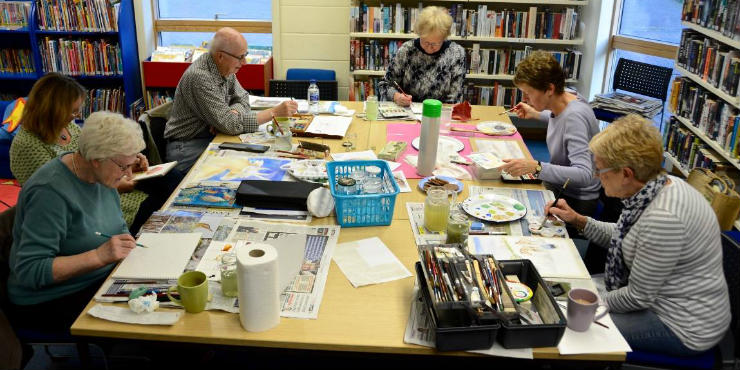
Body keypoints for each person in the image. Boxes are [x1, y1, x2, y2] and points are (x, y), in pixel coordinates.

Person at [546, 114, 730, 356]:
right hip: (657, 299)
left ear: (626, 173)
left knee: (565, 325)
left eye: (600, 170)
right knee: (564, 292)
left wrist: (587, 300)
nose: (595, 176)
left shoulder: (664, 217)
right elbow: (627, 237)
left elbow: (637, 297)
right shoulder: (659, 186)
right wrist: (579, 221)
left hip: (681, 325)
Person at [7, 111, 145, 331]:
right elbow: (30, 270)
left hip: (101, 278)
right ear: (97, 160)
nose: (129, 175)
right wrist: (99, 256)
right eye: (123, 167)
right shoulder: (49, 192)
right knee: (153, 328)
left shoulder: (100, 175)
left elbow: (116, 228)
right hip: (52, 299)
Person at [9, 73, 181, 235]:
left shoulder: (67, 127)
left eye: (77, 110)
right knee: (156, 206)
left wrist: (127, 161)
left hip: (107, 181)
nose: (75, 116)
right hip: (92, 200)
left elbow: (95, 154)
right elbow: (58, 194)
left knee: (173, 178)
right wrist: (118, 181)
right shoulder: (27, 146)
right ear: (50, 110)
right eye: (72, 111)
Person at [164, 27, 298, 173]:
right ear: (221, 56)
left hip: (210, 137)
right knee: (247, 167)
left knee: (258, 160)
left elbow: (243, 98)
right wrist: (274, 112)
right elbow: (231, 126)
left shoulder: (223, 68)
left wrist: (232, 112)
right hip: (186, 148)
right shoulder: (200, 77)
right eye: (240, 57)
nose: (245, 62)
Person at [498, 51, 601, 218]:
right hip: (561, 186)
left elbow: (584, 174)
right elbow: (560, 119)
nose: (525, 99)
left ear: (549, 89)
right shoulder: (569, 96)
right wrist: (536, 113)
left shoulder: (575, 117)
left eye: (528, 93)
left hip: (575, 200)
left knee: (512, 208)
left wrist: (537, 167)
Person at [376, 6, 466, 106]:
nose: (429, 48)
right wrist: (396, 96)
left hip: (440, 114)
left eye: (434, 44)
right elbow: (384, 84)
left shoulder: (456, 53)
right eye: (425, 42)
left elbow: (455, 97)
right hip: (407, 112)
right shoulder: (406, 50)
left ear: (444, 38)